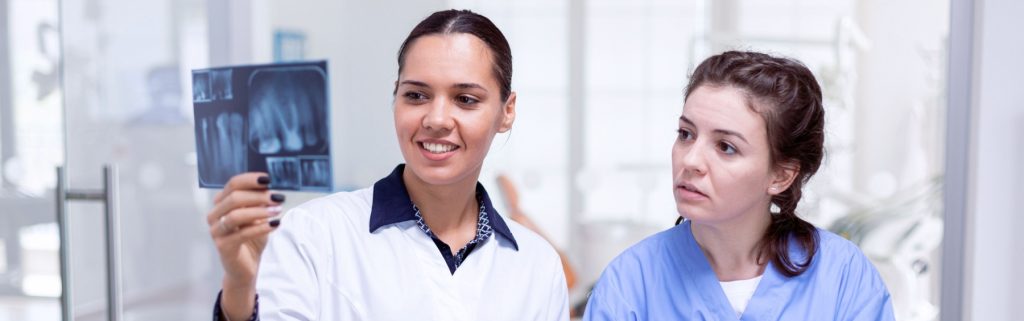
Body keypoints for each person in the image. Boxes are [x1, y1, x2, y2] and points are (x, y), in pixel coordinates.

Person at [206, 9, 569, 320]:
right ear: (395, 96)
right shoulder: (313, 233)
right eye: (416, 95)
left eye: (465, 99)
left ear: (507, 112)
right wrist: (240, 286)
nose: (437, 118)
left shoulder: (538, 265)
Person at [582, 51, 895, 320]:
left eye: (725, 147)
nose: (691, 160)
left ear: (781, 176)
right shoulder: (630, 285)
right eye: (686, 134)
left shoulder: (842, 277)